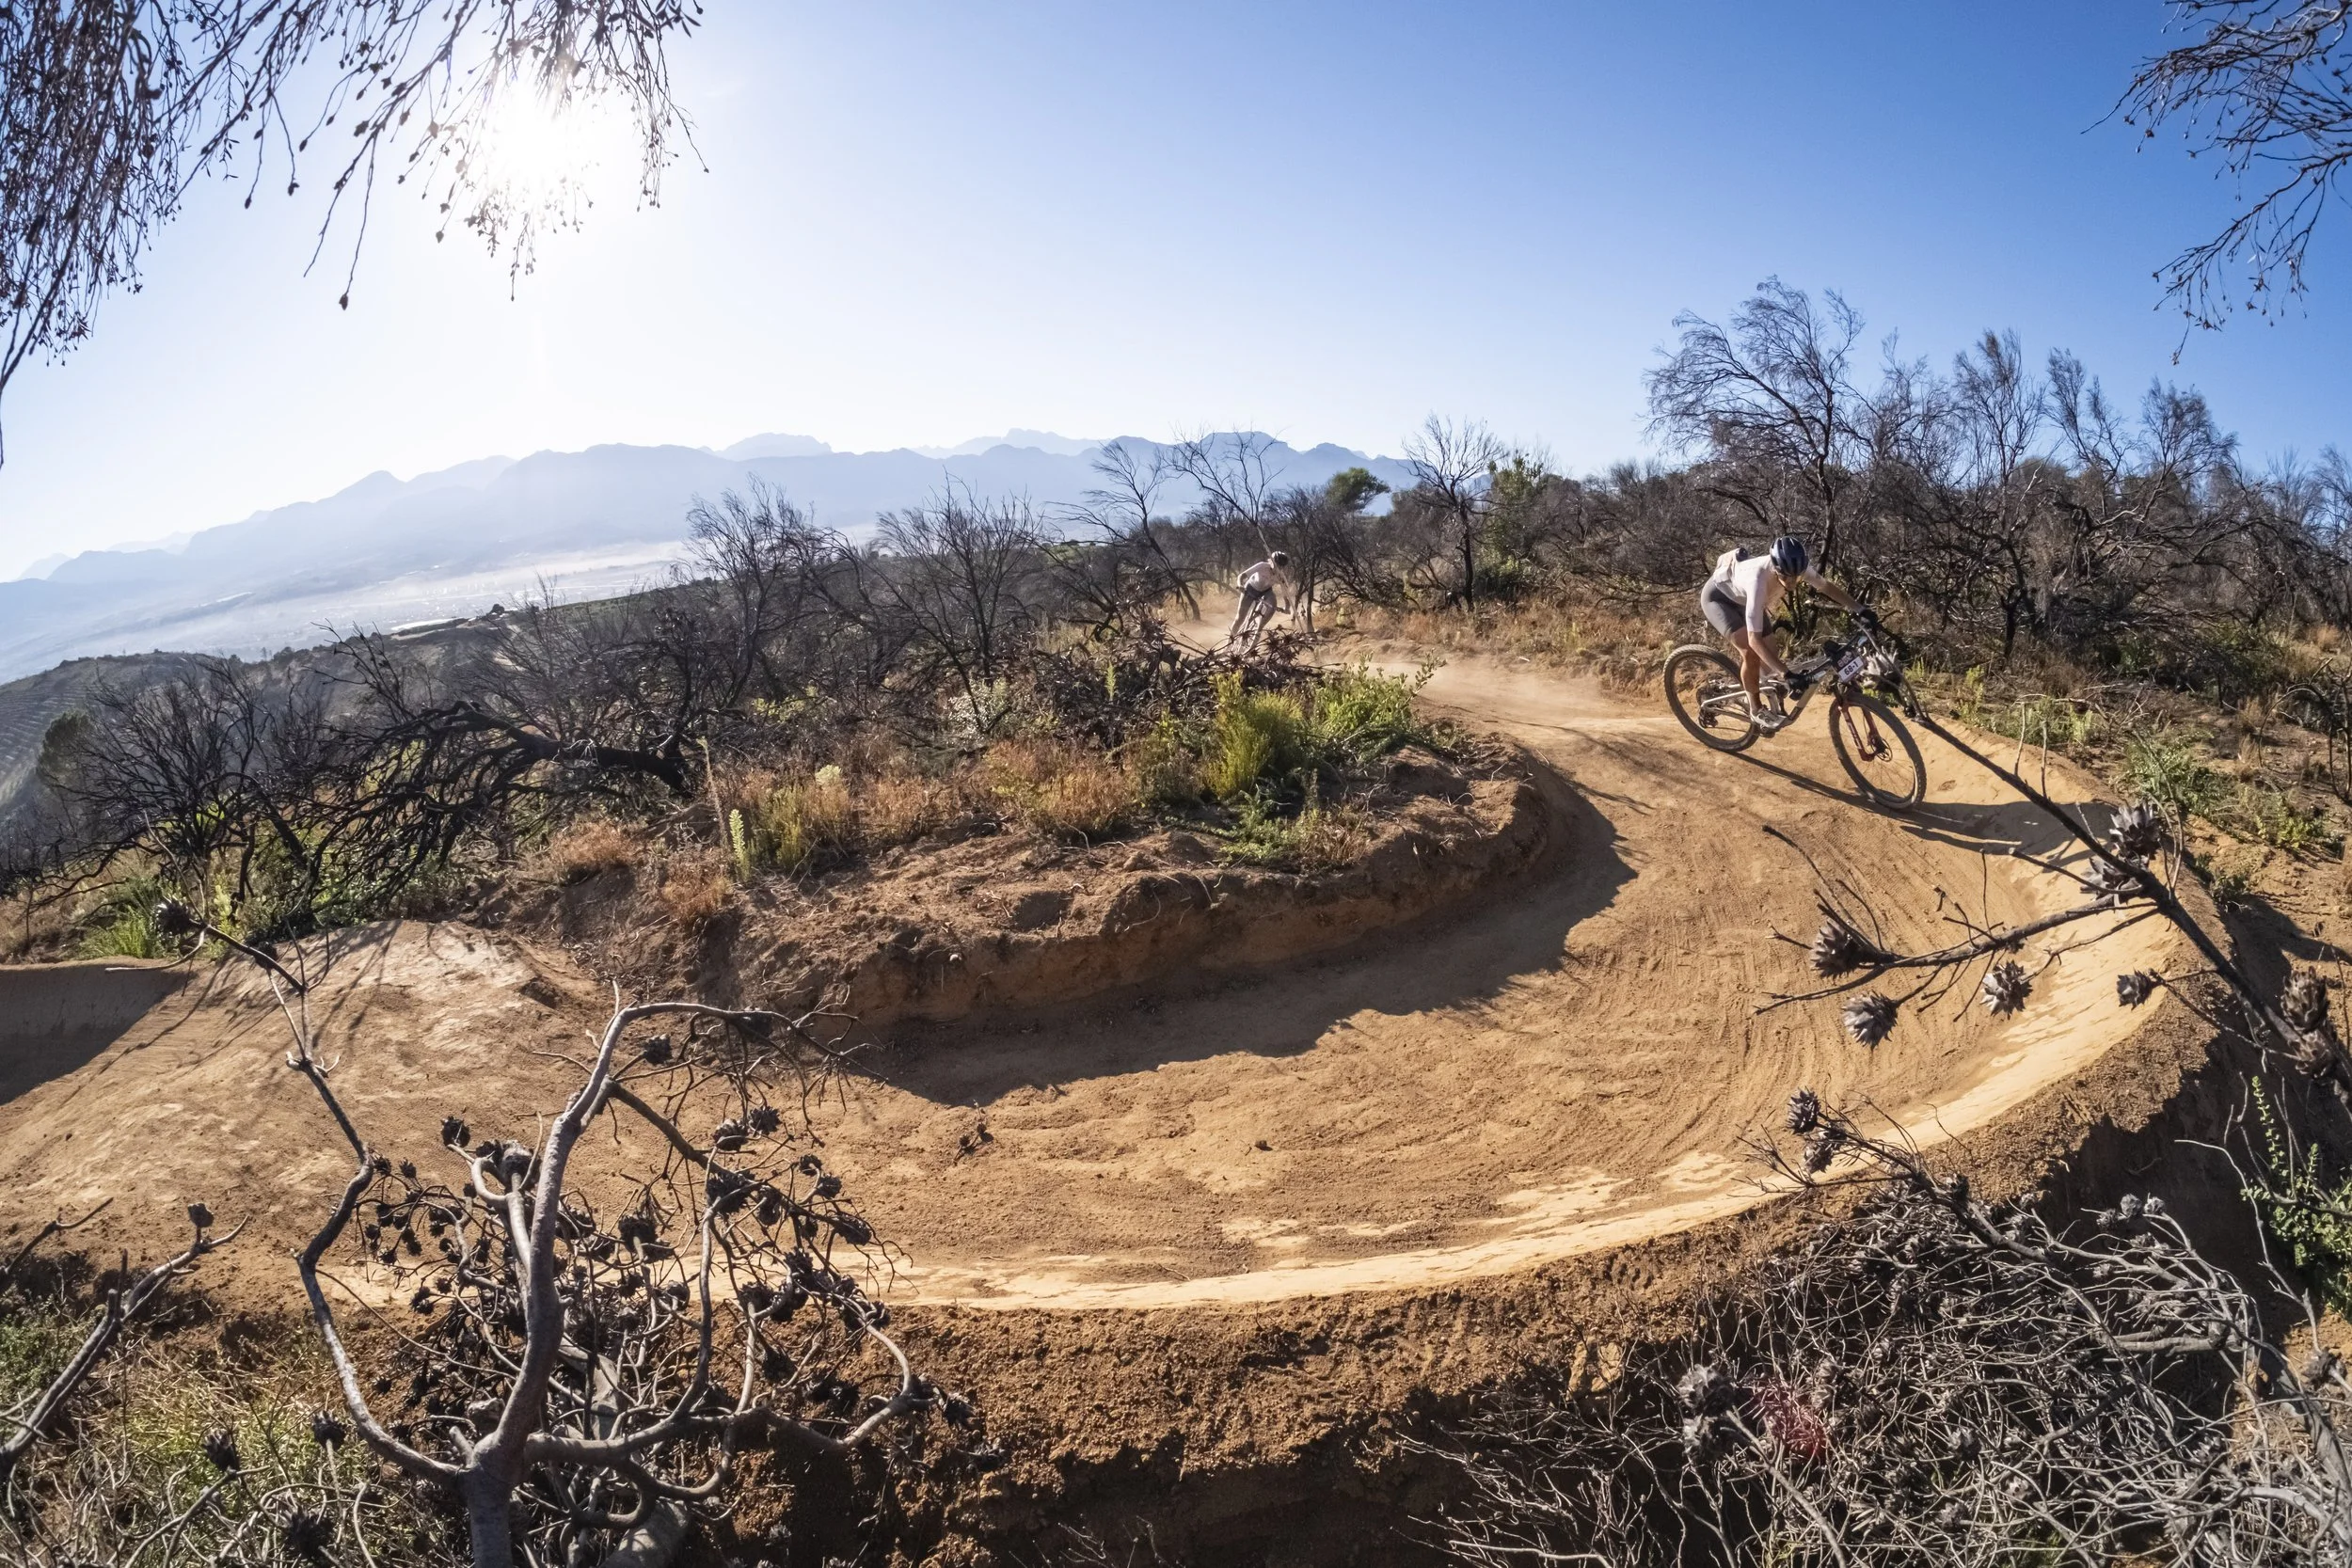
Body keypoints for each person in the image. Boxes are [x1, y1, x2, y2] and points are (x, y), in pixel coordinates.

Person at [1699, 535, 1863, 732]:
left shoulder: (1797, 568)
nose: (1792, 582)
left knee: (1771, 659)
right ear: (1776, 570)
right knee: (1751, 653)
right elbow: (1754, 640)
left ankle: (1764, 694)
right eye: (1786, 577)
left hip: (1746, 600)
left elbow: (1826, 586)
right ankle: (1755, 709)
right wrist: (1787, 674)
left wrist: (1860, 609)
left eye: (1797, 577)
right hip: (1719, 599)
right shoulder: (1758, 580)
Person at [1226, 550, 1291, 648]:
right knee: (1240, 618)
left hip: (1265, 591)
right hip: (1250, 588)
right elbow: (1242, 575)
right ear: (1272, 562)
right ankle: (1228, 646)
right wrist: (1240, 585)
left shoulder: (1281, 576)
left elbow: (1286, 594)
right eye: (1277, 565)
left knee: (1272, 606)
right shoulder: (1262, 566)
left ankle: (1256, 637)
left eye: (1281, 566)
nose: (1278, 568)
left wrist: (1287, 607)